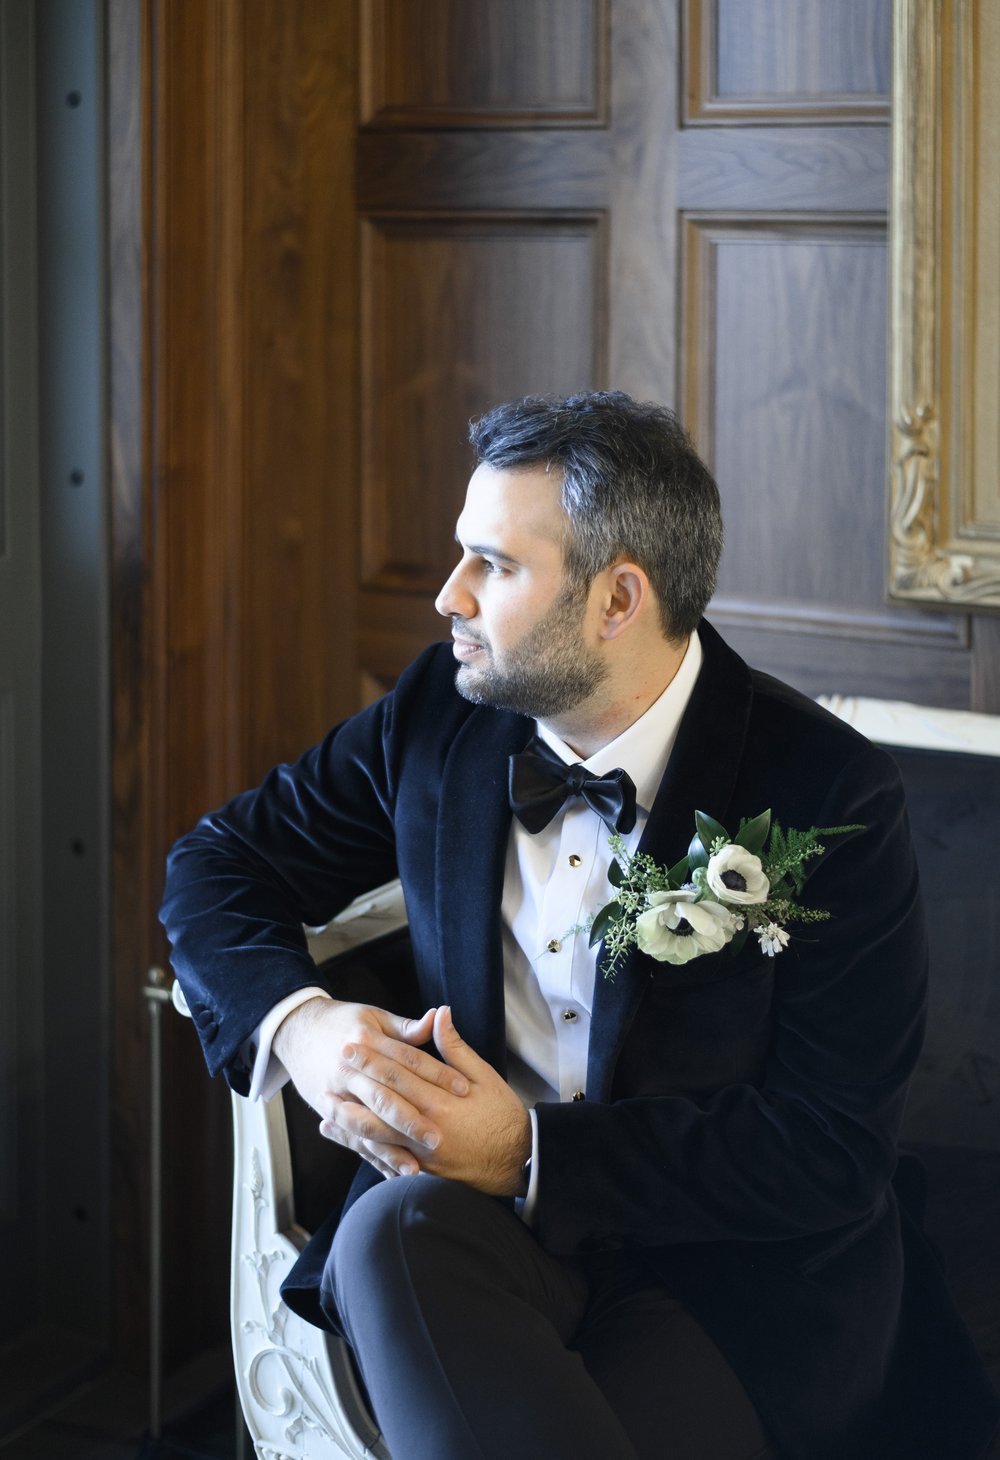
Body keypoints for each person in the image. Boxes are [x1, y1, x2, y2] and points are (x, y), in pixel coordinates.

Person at [161, 392, 998, 1460]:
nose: (445, 595)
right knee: (381, 1230)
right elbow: (216, 860)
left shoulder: (824, 792)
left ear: (617, 599)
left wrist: (523, 1147)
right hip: (476, 1235)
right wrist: (309, 1029)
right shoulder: (440, 713)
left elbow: (827, 1148)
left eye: (493, 565)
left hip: (727, 1273)